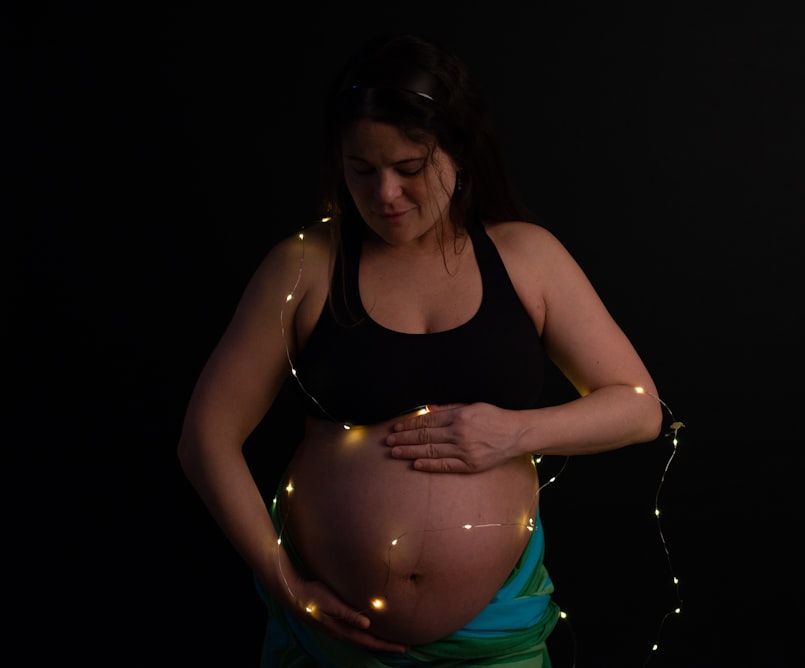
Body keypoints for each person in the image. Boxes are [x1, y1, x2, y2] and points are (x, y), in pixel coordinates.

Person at [177, 32, 663, 667]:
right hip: (331, 640)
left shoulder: (526, 256)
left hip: (496, 636)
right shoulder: (305, 266)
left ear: (458, 153)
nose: (385, 194)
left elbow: (638, 407)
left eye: (409, 168)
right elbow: (205, 436)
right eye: (362, 171)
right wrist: (283, 582)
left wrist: (515, 433)